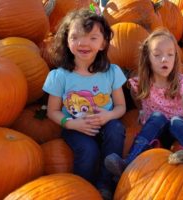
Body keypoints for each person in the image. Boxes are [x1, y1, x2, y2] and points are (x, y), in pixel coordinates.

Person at [104, 28, 183, 187]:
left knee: (177, 121)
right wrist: (142, 110)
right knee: (157, 117)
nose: (164, 59)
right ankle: (128, 163)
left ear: (175, 58)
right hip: (154, 131)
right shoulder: (142, 81)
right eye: (157, 55)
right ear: (148, 58)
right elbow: (135, 95)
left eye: (170, 54)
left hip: (178, 132)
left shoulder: (180, 81)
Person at [42, 7, 126, 200]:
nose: (83, 43)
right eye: (75, 37)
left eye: (92, 38)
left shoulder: (111, 72)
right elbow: (53, 111)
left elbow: (121, 106)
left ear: (104, 43)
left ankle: (106, 184)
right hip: (75, 126)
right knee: (88, 151)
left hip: (105, 122)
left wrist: (109, 115)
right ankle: (83, 190)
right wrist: (72, 124)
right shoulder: (60, 75)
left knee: (116, 129)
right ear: (66, 40)